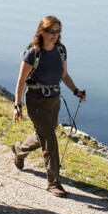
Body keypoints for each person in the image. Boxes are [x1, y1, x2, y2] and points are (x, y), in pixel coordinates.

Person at [11, 15, 86, 197]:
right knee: (50, 138)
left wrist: (76, 91)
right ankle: (54, 182)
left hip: (54, 100)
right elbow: (21, 81)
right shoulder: (32, 53)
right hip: (35, 101)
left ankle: (19, 150)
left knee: (43, 134)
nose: (55, 35)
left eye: (58, 31)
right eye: (52, 32)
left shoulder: (61, 50)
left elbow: (64, 75)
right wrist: (17, 105)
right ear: (42, 32)